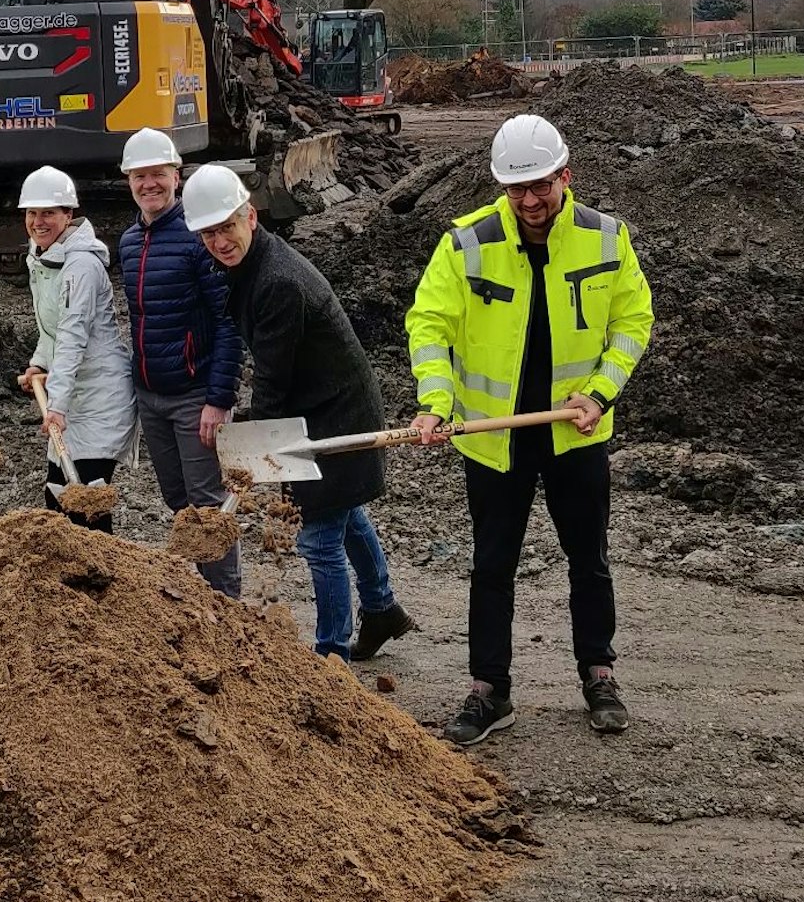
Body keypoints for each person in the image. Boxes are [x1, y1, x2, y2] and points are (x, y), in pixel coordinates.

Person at [406, 114, 654, 746]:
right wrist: (435, 401)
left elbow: (633, 322)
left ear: (565, 175)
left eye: (541, 185)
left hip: (576, 433)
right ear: (502, 188)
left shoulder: (606, 238)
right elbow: (428, 325)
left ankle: (598, 673)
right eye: (518, 189)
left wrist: (600, 392)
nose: (531, 200)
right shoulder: (466, 243)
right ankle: (490, 689)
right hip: (494, 438)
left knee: (588, 561)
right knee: (492, 565)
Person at [183, 164, 415, 662]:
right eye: (208, 233)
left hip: (337, 413)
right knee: (345, 514)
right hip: (322, 402)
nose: (220, 241)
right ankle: (382, 609)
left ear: (250, 215)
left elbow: (272, 381)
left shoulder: (277, 283)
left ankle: (330, 658)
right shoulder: (251, 267)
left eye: (227, 227)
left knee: (317, 537)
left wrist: (252, 456)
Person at [115, 128, 242, 596]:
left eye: (158, 174)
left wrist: (219, 398)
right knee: (177, 500)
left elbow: (228, 324)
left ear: (176, 175)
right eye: (139, 175)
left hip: (194, 396)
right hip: (151, 395)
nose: (149, 184)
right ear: (129, 180)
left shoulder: (196, 239)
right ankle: (199, 594)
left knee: (208, 506)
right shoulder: (129, 243)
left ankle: (226, 607)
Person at [15, 166, 137, 532]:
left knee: (87, 502)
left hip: (100, 395)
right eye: (32, 213)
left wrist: (57, 406)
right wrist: (38, 365)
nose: (39, 221)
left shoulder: (80, 264)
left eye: (49, 213)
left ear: (68, 215)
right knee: (57, 497)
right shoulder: (42, 257)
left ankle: (103, 582)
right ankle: (68, 586)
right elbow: (49, 330)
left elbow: (73, 335)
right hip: (73, 393)